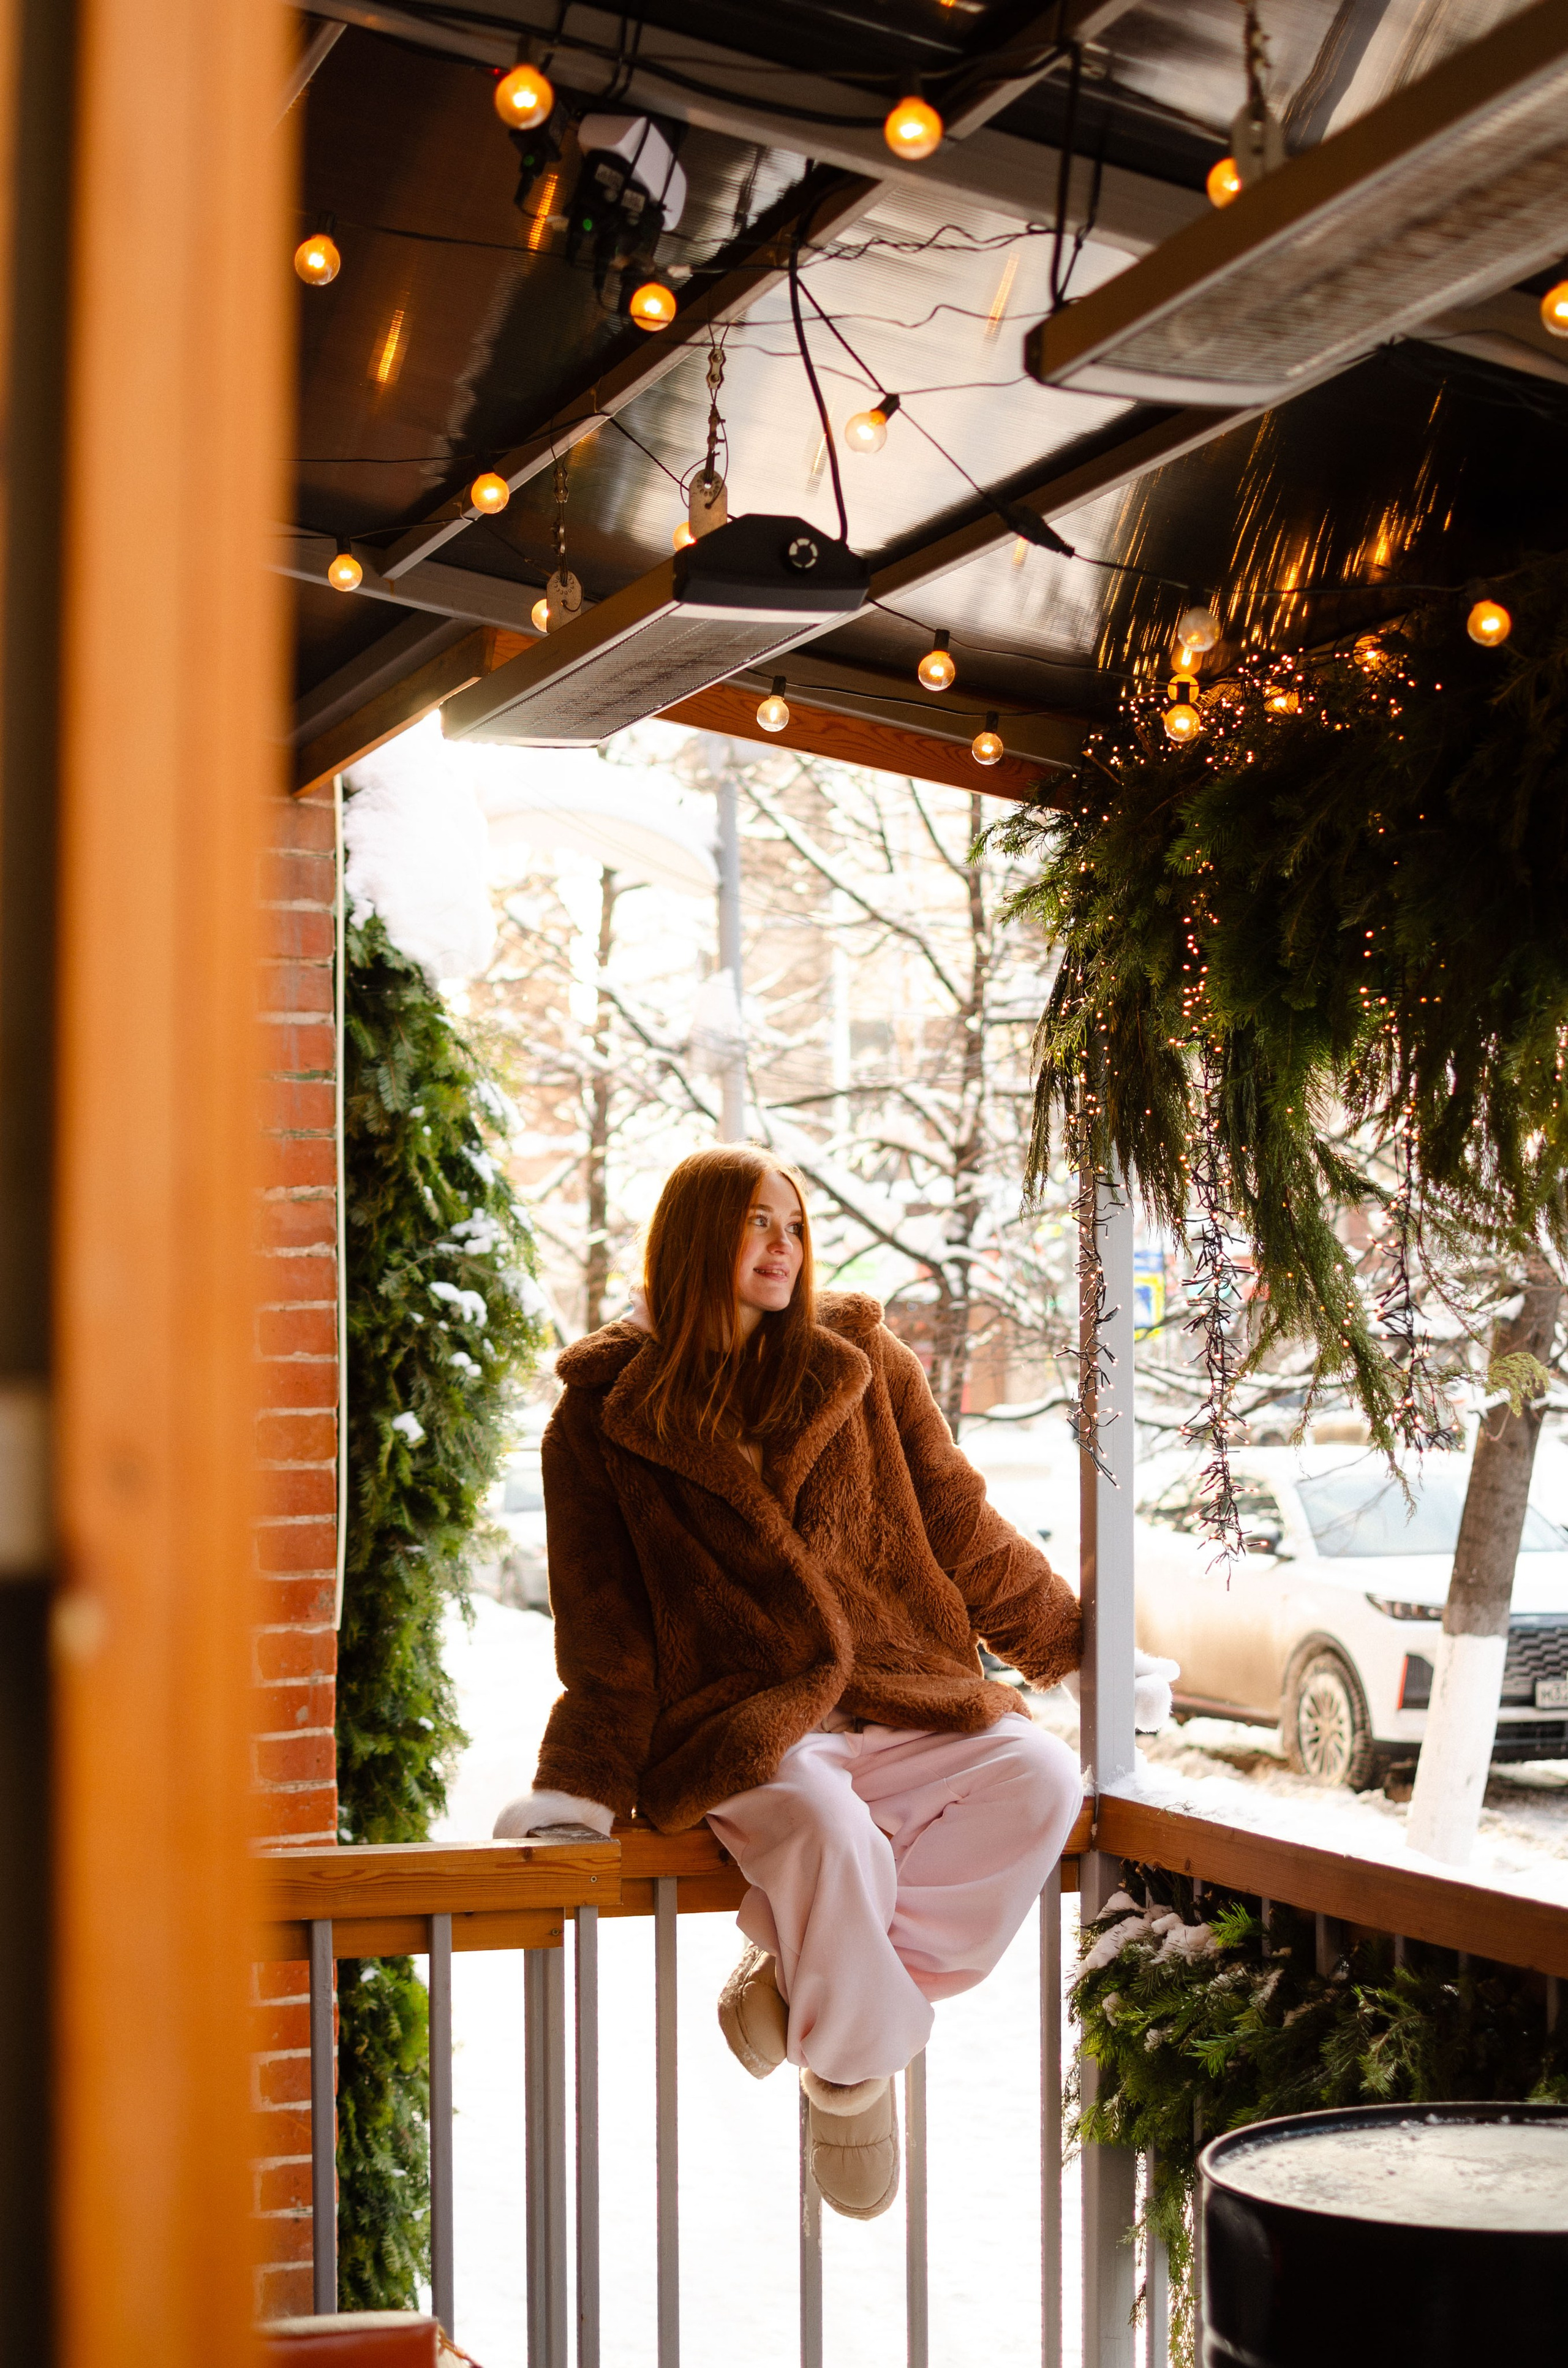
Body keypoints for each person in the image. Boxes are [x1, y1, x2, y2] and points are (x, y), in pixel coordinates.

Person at [496, 1145, 1175, 2220]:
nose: (783, 1245)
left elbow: (961, 1523)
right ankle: (852, 2082)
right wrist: (579, 1779)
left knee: (1040, 1778)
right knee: (829, 1833)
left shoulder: (859, 1359)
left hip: (905, 1685)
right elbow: (603, 1622)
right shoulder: (605, 1414)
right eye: (757, 1222)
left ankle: (796, 1978)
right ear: (692, 1238)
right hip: (745, 1719)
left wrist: (1073, 1650)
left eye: (796, 1226)